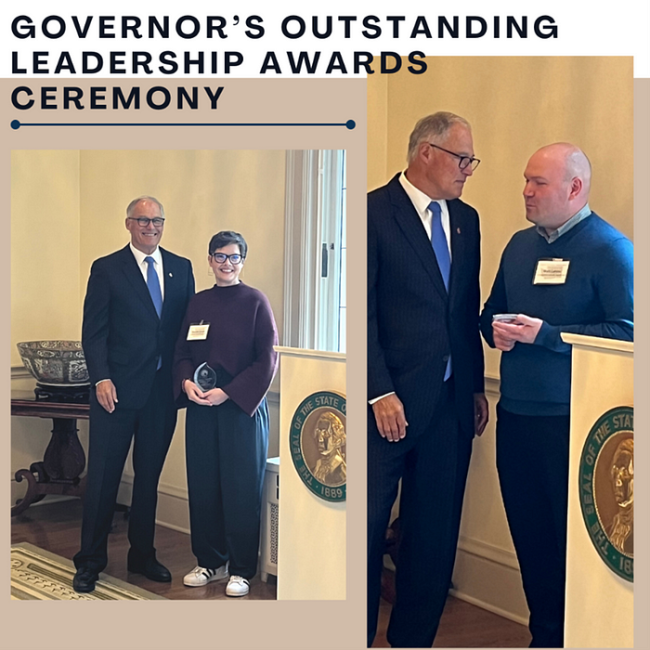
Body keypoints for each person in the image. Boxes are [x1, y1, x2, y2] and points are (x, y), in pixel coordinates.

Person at [479, 143, 633, 647]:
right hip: (516, 417)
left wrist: (548, 335)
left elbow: (628, 332)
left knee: (573, 546)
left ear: (574, 188)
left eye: (538, 183)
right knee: (531, 539)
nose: (526, 192)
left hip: (574, 424)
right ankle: (544, 636)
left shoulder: (610, 249)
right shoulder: (519, 246)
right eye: (525, 180)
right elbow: (490, 311)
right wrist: (493, 329)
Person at [367, 111, 489, 647]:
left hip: (449, 402)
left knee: (434, 532)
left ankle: (413, 638)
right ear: (426, 153)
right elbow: (360, 313)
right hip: (385, 404)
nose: (468, 169)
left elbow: (464, 311)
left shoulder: (468, 220)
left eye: (470, 160)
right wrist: (379, 389)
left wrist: (475, 384)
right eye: (462, 158)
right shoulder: (370, 212)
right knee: (368, 530)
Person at [73, 196, 195, 593]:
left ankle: (142, 555)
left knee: (148, 479)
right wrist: (101, 379)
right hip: (116, 393)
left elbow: (185, 333)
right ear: (128, 224)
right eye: (143, 220)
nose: (151, 227)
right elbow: (94, 332)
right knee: (105, 478)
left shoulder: (181, 268)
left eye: (157, 220)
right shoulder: (107, 269)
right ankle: (89, 560)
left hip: (162, 393)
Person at [173, 231, 278, 597]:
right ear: (209, 260)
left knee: (240, 488)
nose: (227, 264)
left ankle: (241, 568)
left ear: (243, 261)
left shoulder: (255, 302)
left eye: (234, 257)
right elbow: (183, 351)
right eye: (220, 257)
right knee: (203, 486)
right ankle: (209, 562)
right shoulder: (198, 303)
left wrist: (228, 394)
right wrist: (186, 383)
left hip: (240, 411)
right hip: (202, 407)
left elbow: (268, 359)